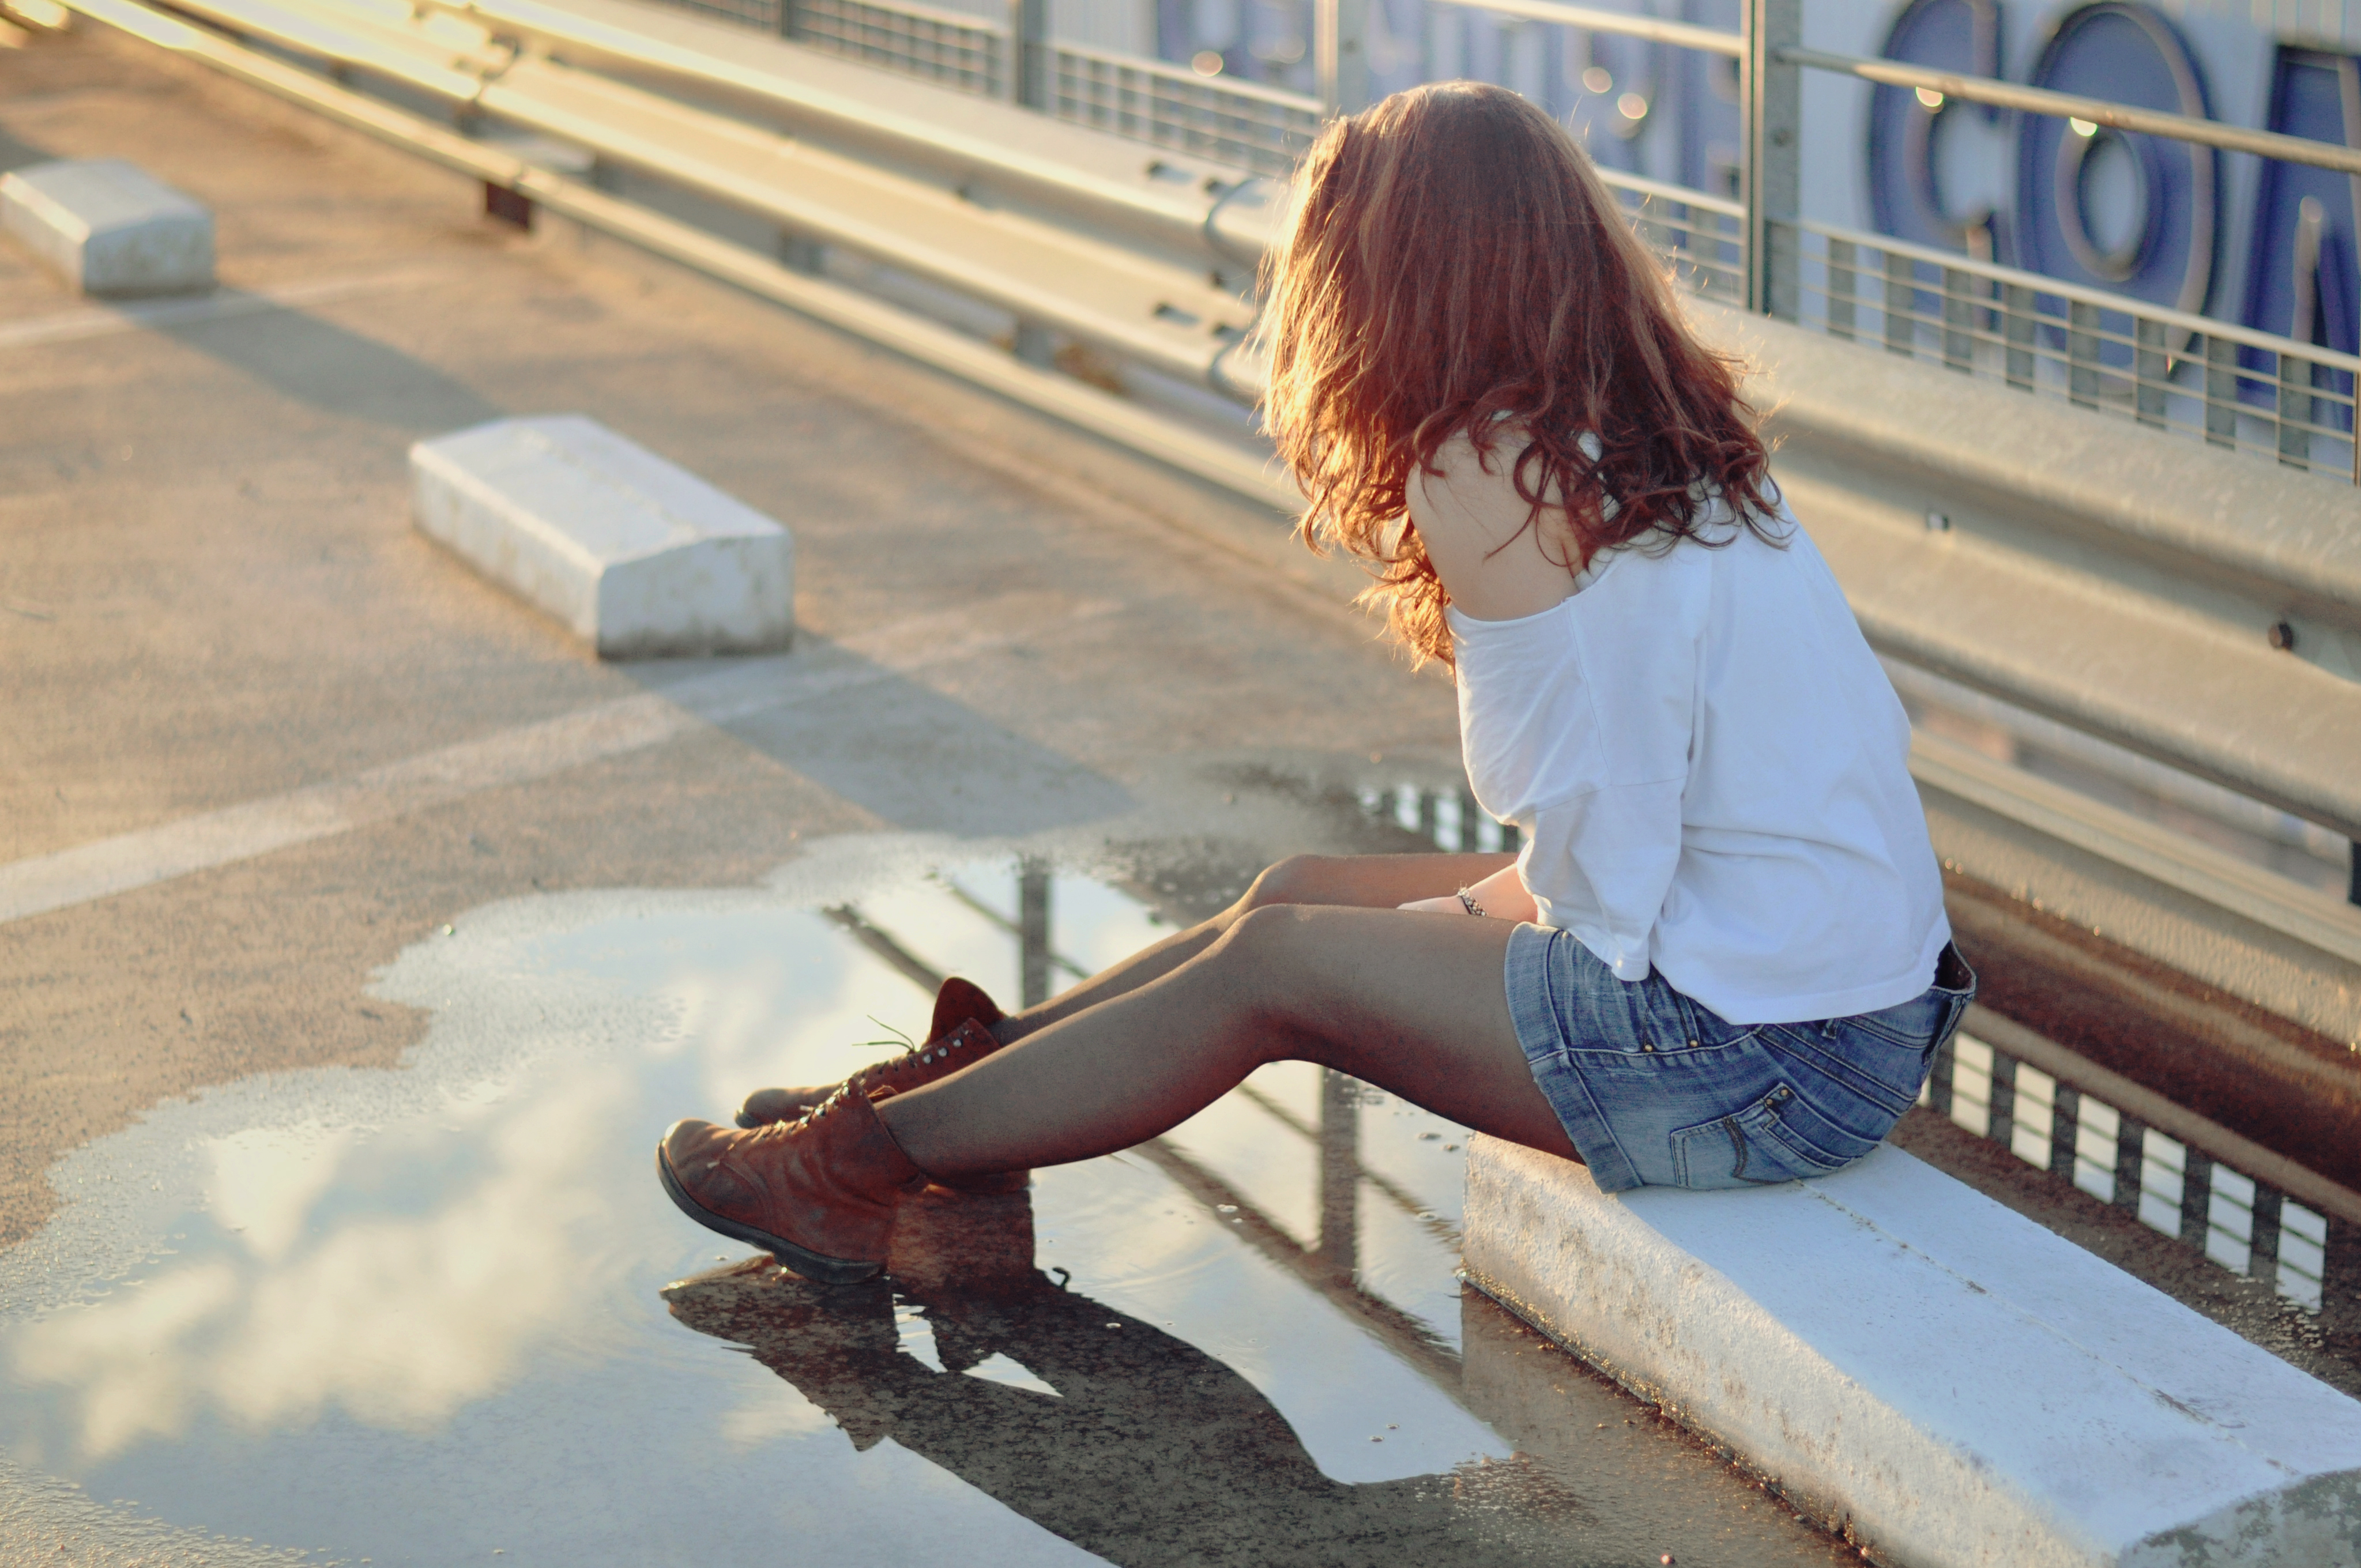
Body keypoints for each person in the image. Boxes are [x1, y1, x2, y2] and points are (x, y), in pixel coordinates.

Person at [655, 80, 1975, 1286]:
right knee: (1285, 896)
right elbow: (1627, 830)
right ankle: (965, 1105)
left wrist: (1445, 928)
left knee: (1274, 971)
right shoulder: (1651, 436)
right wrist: (1448, 917)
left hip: (1758, 1060)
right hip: (1845, 1016)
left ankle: (849, 1171)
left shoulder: (1492, 472)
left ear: (1394, 275)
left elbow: (1600, 875)